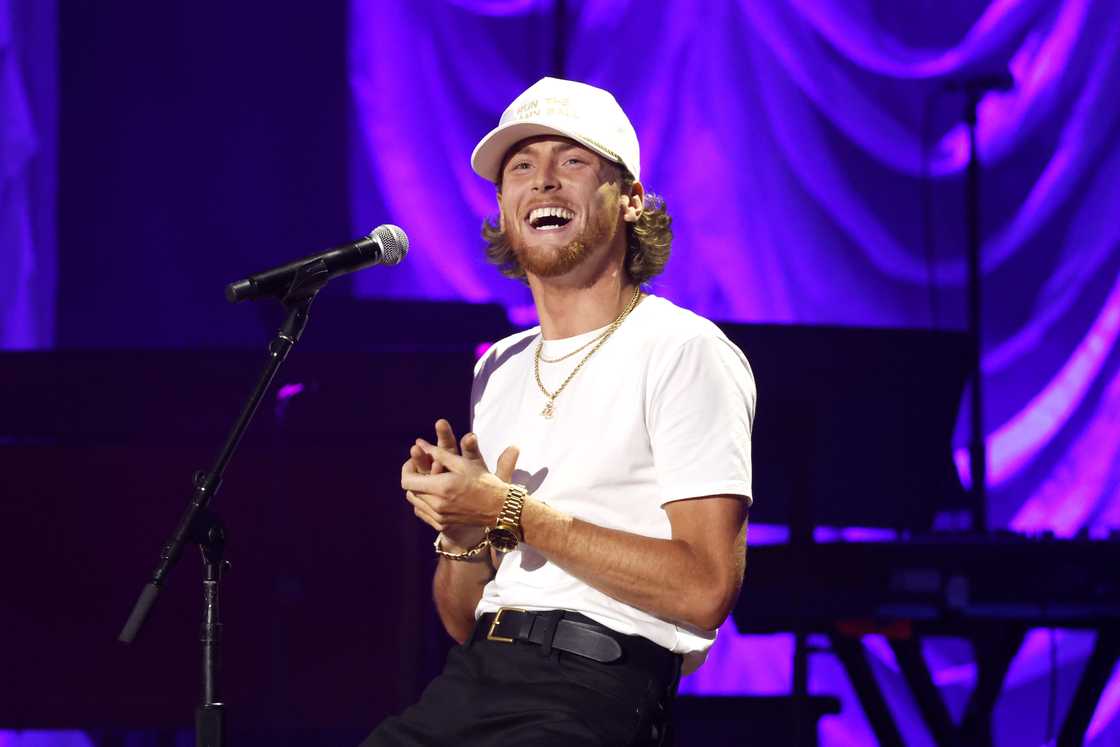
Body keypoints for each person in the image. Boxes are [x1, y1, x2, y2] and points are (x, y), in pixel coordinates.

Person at [361, 77, 756, 746]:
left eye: (572, 161)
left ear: (631, 200)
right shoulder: (499, 367)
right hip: (474, 678)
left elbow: (705, 588)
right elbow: (464, 618)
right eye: (521, 167)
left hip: (593, 689)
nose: (543, 181)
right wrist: (461, 532)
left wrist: (509, 510)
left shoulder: (684, 350)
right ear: (504, 209)